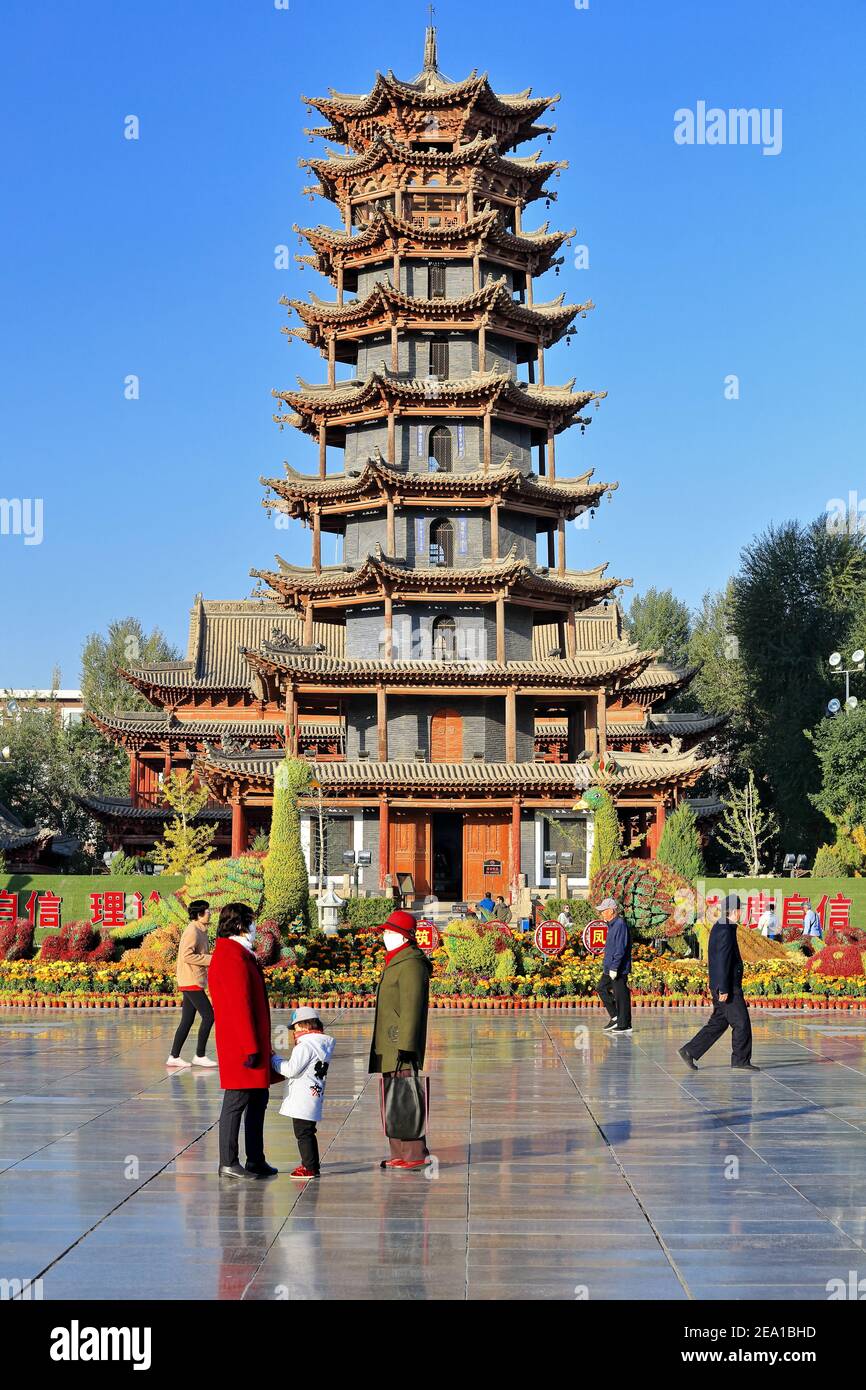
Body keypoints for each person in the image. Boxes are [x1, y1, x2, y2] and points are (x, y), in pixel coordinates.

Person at [208, 902, 282, 1179]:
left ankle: (255, 1158)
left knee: (258, 1100)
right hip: (241, 1045)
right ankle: (228, 1161)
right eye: (251, 922)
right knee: (236, 1102)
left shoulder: (239, 954)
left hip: (251, 1041)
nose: (254, 927)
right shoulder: (231, 957)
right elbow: (239, 1006)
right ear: (239, 924)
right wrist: (251, 1046)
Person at [369, 909, 432, 1170]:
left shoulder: (411, 964)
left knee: (406, 1096)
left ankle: (415, 1153)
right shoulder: (396, 959)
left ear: (403, 937)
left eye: (389, 932)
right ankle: (399, 1151)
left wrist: (407, 1045)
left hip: (400, 1044)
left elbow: (411, 1007)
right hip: (388, 1043)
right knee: (392, 1097)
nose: (384, 936)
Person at [679, 893, 758, 1072]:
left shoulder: (724, 926)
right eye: (740, 909)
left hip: (722, 984)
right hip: (727, 986)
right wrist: (723, 988)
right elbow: (722, 960)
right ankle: (740, 1060)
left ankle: (690, 1051)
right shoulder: (724, 928)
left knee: (719, 1022)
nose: (742, 912)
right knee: (741, 1023)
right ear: (735, 911)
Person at [272, 1007, 335, 1182]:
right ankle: (311, 1164)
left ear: (305, 1026)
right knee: (308, 1131)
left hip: (302, 1098)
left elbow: (291, 1069)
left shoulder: (305, 1046)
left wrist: (275, 1060)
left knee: (303, 1134)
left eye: (296, 1028)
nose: (294, 1033)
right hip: (313, 1095)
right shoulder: (321, 1044)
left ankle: (310, 1167)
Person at [166, 899, 217, 1069]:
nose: (209, 913)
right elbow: (186, 955)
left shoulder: (201, 929)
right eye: (207, 911)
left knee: (187, 1020)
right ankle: (200, 1055)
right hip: (190, 979)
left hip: (193, 979)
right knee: (209, 1016)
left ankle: (174, 1056)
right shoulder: (193, 931)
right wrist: (211, 960)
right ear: (199, 914)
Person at [595, 897, 632, 1036]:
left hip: (618, 968)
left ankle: (624, 1024)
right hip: (610, 967)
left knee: (621, 996)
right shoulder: (612, 924)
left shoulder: (620, 924)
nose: (602, 913)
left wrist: (615, 967)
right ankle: (616, 1017)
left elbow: (620, 949)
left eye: (604, 911)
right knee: (601, 988)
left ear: (611, 910)